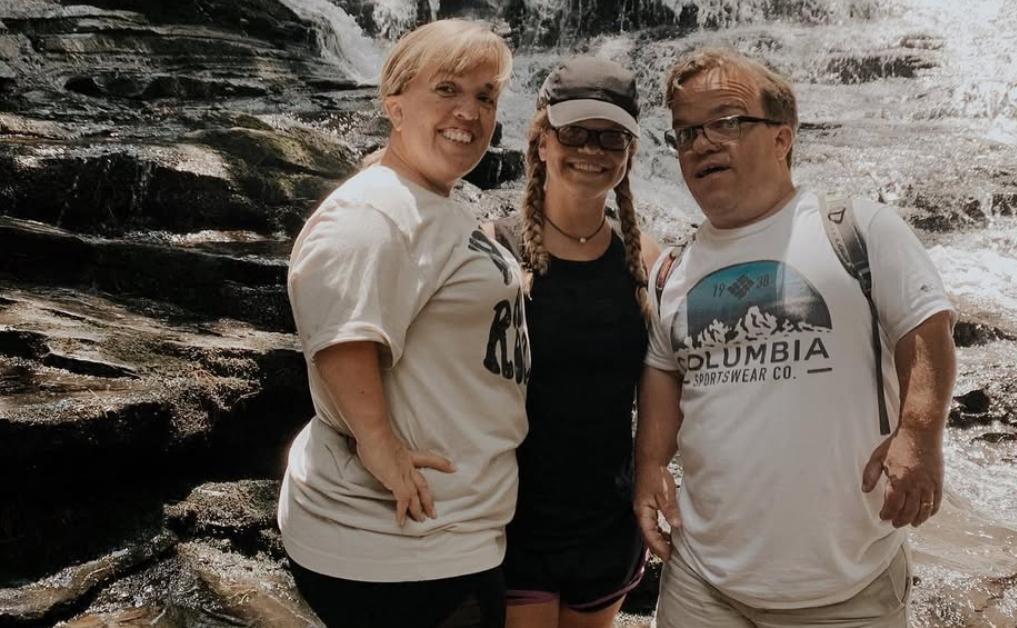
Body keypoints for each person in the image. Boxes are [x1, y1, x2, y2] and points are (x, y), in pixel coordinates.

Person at [634, 48, 957, 628]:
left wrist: (919, 433)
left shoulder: (858, 228)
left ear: (783, 138)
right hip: (702, 584)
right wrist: (650, 464)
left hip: (849, 589)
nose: (703, 143)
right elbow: (663, 367)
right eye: (687, 133)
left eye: (728, 122)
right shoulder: (677, 272)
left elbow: (926, 324)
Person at [277, 19, 529, 628]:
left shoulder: (431, 201)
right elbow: (341, 329)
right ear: (394, 104)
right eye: (447, 89)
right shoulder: (374, 209)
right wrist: (379, 445)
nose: (469, 111)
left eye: (485, 96)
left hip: (448, 534)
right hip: (398, 549)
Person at [484, 57, 661, 628]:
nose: (593, 148)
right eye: (575, 132)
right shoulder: (495, 248)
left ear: (629, 152)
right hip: (514, 520)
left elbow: (665, 381)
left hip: (606, 523)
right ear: (540, 143)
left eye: (612, 136)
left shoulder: (647, 260)